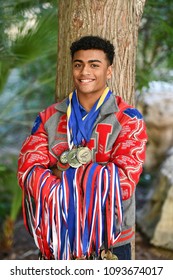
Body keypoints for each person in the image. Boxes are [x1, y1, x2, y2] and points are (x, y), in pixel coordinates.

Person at [17, 35, 147, 260]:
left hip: (110, 240)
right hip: (58, 236)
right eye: (79, 64)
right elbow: (28, 173)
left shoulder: (127, 119)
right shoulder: (48, 118)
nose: (85, 72)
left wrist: (59, 171)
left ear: (109, 71)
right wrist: (96, 176)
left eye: (94, 65)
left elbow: (124, 182)